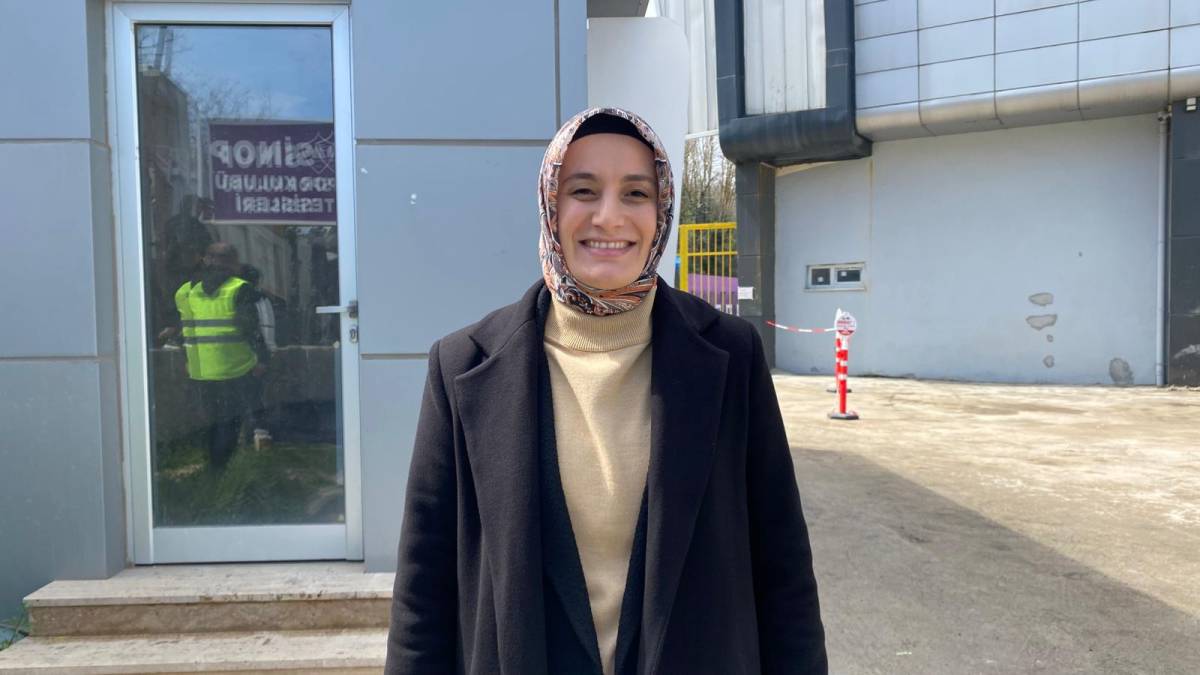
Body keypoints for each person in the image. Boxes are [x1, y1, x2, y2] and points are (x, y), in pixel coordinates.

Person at [386, 108, 827, 674]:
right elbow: (424, 588)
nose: (609, 216)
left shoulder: (731, 355)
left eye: (636, 193)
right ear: (550, 204)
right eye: (583, 190)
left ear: (661, 209)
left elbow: (782, 568)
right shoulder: (462, 365)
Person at [160, 242, 271, 469]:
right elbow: (251, 329)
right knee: (230, 421)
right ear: (234, 263)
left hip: (200, 369)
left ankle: (212, 466)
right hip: (236, 368)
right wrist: (263, 359)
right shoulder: (240, 288)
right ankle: (224, 469)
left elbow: (183, 329)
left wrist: (187, 359)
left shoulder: (185, 291)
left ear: (206, 260)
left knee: (209, 421)